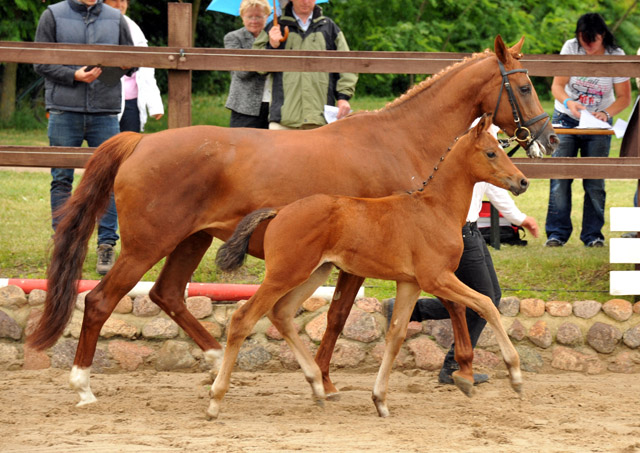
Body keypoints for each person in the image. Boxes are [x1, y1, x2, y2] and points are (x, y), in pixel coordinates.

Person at [383, 122, 540, 386]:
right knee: (485, 299)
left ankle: (415, 312)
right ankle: (454, 365)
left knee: (491, 296)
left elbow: (493, 188)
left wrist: (520, 218)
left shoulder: (481, 141)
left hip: (471, 231)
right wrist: (519, 217)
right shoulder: (472, 143)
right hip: (458, 233)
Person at [34, 0, 134, 275]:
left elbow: (132, 60)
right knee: (62, 178)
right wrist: (73, 75)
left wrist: (116, 69)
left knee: (112, 180)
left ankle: (106, 244)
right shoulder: (52, 14)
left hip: (105, 110)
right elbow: (39, 60)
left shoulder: (116, 17)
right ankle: (64, 245)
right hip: (64, 108)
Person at [545, 13, 631, 248]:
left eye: (592, 41)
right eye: (584, 41)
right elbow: (557, 86)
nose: (588, 46)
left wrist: (607, 114)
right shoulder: (570, 47)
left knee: (595, 181)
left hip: (598, 123)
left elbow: (624, 97)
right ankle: (556, 234)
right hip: (567, 117)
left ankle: (593, 235)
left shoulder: (616, 55)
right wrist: (568, 103)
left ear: (603, 36)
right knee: (560, 178)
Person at [253, 0, 357, 130]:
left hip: (320, 119)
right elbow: (258, 67)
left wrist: (343, 97)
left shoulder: (329, 27)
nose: (305, 1)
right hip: (283, 120)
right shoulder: (275, 27)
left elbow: (347, 64)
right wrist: (271, 47)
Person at [104, 0, 164, 132]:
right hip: (104, 100)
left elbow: (146, 67)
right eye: (114, 0)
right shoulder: (96, 26)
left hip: (131, 101)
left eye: (123, 0)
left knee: (129, 148)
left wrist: (155, 104)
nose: (120, 4)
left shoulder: (133, 27)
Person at [224, 0, 271, 128]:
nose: (254, 21)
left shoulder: (275, 37)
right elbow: (241, 71)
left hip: (274, 104)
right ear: (242, 17)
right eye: (249, 16)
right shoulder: (233, 38)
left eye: (259, 16)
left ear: (267, 16)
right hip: (244, 107)